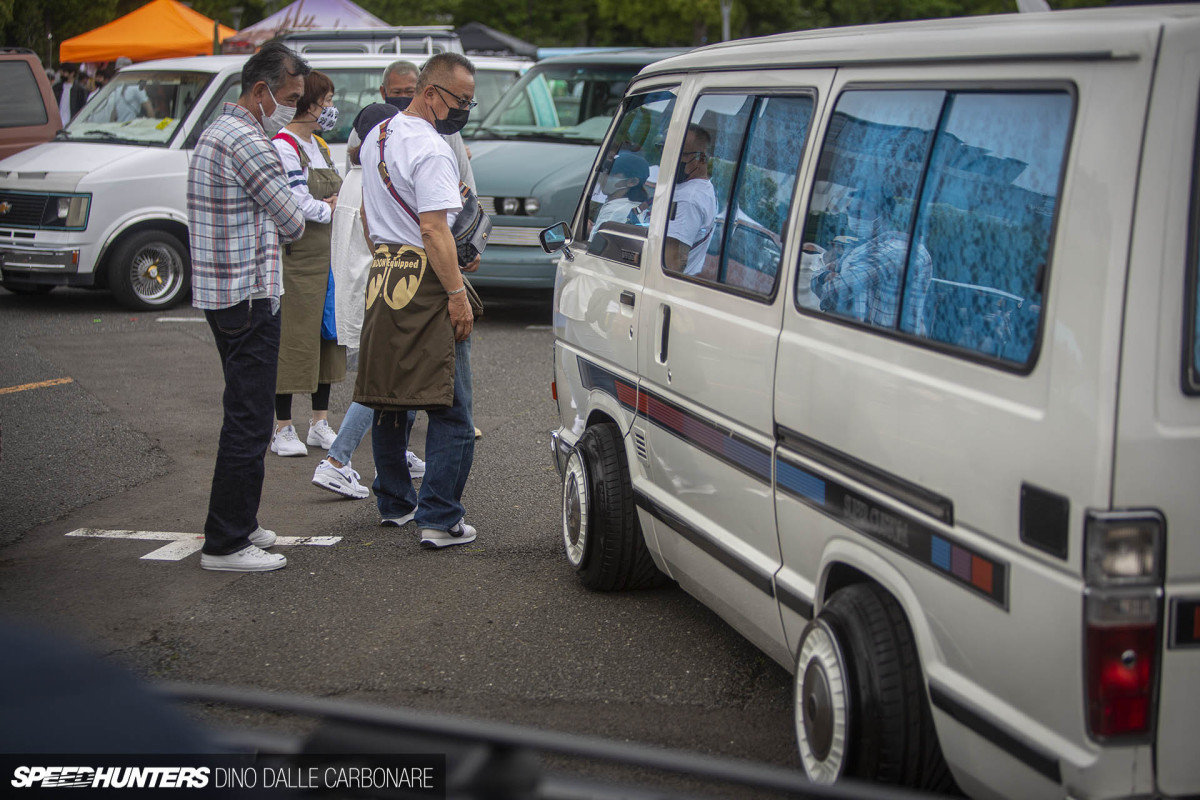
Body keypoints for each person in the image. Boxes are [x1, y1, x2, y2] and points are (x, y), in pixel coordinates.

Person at [187, 42, 308, 572]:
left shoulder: (215, 131)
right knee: (250, 418)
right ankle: (226, 541)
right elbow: (294, 220)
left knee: (246, 412)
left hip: (223, 294)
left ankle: (242, 521)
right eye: (289, 96)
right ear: (261, 91)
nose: (294, 108)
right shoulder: (249, 142)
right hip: (249, 295)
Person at [356, 53, 480, 549]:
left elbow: (368, 212)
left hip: (385, 272)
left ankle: (395, 502)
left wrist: (384, 255)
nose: (463, 110)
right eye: (459, 100)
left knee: (390, 396)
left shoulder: (378, 136)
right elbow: (433, 228)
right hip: (428, 279)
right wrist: (456, 294)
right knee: (451, 406)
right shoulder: (431, 148)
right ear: (429, 93)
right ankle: (440, 516)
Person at [312, 103, 425, 499]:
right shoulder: (377, 180)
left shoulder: (353, 178)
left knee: (401, 380)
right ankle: (336, 461)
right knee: (381, 385)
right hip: (376, 297)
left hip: (353, 295)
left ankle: (397, 454)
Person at [268, 70, 347, 458]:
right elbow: (296, 203)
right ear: (309, 103)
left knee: (326, 338)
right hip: (298, 258)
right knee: (293, 339)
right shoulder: (283, 146)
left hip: (328, 257)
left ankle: (319, 422)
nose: (331, 109)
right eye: (327, 101)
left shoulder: (320, 145)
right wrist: (330, 209)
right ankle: (282, 426)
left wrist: (332, 208)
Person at [809, 192, 933, 334]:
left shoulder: (896, 251)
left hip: (886, 346)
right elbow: (814, 279)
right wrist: (825, 275)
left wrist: (825, 276)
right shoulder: (863, 247)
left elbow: (836, 290)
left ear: (885, 216)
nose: (854, 218)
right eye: (851, 212)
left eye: (861, 213)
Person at [379, 60, 475, 193]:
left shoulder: (446, 129)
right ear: (383, 92)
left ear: (421, 89)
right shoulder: (373, 129)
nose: (403, 97)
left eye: (409, 92)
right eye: (396, 92)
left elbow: (466, 180)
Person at [664, 124, 717, 277]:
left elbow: (674, 262)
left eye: (679, 154)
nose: (669, 158)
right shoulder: (700, 188)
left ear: (701, 159)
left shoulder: (688, 198)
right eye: (665, 151)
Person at [591, 152, 650, 235]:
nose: (604, 175)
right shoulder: (629, 207)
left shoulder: (617, 212)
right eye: (604, 171)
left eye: (611, 173)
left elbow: (596, 245)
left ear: (632, 182)